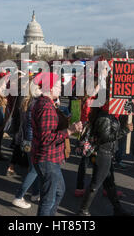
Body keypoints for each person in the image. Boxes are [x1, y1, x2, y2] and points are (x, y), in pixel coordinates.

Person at [31, 72, 83, 216]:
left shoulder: (45, 103)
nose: (61, 89)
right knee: (48, 199)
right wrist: (70, 130)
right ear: (51, 88)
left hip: (48, 157)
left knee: (59, 191)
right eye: (58, 86)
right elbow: (46, 139)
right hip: (47, 158)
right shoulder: (46, 107)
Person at [78, 95, 134, 216]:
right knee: (96, 184)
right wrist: (124, 131)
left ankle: (117, 209)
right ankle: (83, 211)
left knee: (109, 183)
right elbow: (105, 137)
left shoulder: (109, 114)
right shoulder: (104, 117)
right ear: (107, 101)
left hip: (107, 153)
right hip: (102, 154)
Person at [12, 91, 40, 209]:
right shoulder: (34, 104)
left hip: (25, 139)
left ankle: (35, 193)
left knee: (35, 169)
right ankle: (19, 196)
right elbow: (34, 125)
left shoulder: (26, 101)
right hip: (31, 140)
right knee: (34, 170)